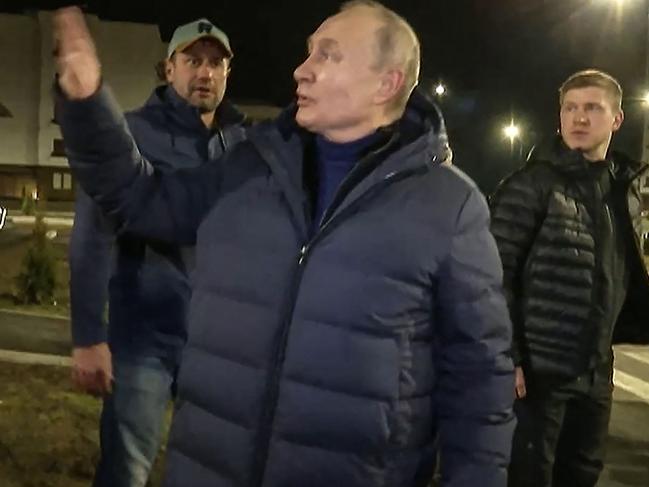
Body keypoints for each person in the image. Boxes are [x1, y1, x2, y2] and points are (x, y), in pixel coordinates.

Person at [54, 2, 515, 486]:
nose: (302, 69)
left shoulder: (448, 205)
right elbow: (140, 200)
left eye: (327, 56)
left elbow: (479, 378)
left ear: (387, 83)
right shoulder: (252, 167)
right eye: (308, 53)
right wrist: (86, 103)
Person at [67, 16, 247, 487]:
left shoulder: (244, 145)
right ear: (169, 69)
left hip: (217, 344)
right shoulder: (132, 134)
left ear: (228, 73)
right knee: (127, 468)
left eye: (215, 63)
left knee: (211, 469)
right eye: (192, 61)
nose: (204, 73)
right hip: (142, 339)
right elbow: (90, 235)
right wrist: (88, 336)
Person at [490, 69, 649, 487]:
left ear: (617, 119)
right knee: (529, 477)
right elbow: (493, 276)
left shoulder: (624, 192)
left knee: (582, 475)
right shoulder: (532, 185)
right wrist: (510, 357)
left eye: (592, 108)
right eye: (570, 108)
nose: (578, 118)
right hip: (538, 377)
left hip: (596, 372)